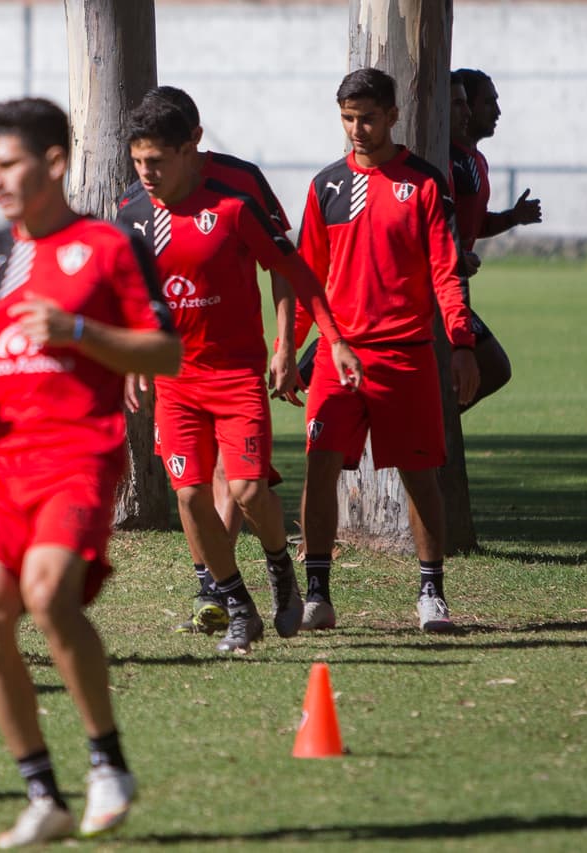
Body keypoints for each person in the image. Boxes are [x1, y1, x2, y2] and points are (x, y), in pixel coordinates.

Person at [0, 97, 180, 847]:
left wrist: (77, 330)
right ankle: (44, 792)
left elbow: (164, 352)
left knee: (45, 593)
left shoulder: (108, 245)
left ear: (55, 163)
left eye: (9, 164)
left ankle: (108, 763)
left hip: (79, 451)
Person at [119, 96, 362, 653]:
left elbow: (294, 270)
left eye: (156, 161)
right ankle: (237, 606)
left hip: (233, 377)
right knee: (189, 496)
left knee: (250, 490)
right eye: (138, 163)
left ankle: (279, 569)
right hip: (176, 383)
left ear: (189, 151)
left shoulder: (231, 206)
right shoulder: (132, 215)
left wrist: (323, 341)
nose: (146, 173)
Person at [295, 68, 480, 633]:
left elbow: (447, 272)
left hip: (406, 355)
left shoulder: (423, 183)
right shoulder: (326, 185)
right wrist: (285, 349)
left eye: (368, 117)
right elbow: (308, 277)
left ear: (394, 116)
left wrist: (462, 344)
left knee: (420, 474)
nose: (357, 128)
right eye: (348, 117)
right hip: (338, 357)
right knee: (319, 468)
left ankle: (431, 594)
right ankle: (318, 594)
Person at [119, 86, 302, 559]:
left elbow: (282, 264)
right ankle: (220, 588)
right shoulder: (137, 205)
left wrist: (286, 344)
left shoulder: (240, 183)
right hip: (178, 370)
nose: (149, 169)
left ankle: (234, 584)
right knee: (195, 487)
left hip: (235, 362)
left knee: (234, 480)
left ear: (192, 139)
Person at [449, 68, 542, 410]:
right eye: (489, 102)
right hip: (436, 290)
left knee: (486, 370)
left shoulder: (477, 161)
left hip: (455, 286)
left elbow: (473, 224)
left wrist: (511, 218)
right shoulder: (445, 161)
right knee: (495, 367)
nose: (497, 111)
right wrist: (452, 255)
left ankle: (431, 432)